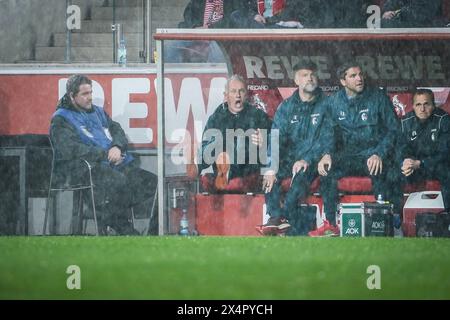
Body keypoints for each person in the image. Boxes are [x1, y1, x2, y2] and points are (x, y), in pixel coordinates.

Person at [50, 75, 157, 235]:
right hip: (85, 169)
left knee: (153, 183)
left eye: (90, 92)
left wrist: (117, 147)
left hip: (114, 163)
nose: (90, 98)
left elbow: (117, 130)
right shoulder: (61, 119)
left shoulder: (98, 112)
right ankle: (125, 229)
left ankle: (144, 231)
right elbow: (70, 149)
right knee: (120, 183)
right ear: (72, 96)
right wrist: (105, 154)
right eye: (84, 94)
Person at [314, 61, 402, 236]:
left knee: (386, 172)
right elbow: (327, 133)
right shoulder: (333, 103)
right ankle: (331, 224)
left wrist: (379, 153)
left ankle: (390, 224)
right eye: (353, 76)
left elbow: (394, 131)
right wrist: (326, 154)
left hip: (373, 156)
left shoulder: (378, 98)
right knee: (326, 171)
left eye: (360, 74)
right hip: (348, 158)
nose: (359, 79)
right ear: (343, 81)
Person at [258, 61, 332, 236]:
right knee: (269, 177)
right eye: (305, 75)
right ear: (296, 79)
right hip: (290, 161)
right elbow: (275, 138)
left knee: (300, 176)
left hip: (314, 161)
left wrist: (307, 159)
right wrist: (271, 168)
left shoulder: (327, 104)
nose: (310, 78)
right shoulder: (287, 107)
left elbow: (327, 138)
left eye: (313, 74)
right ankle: (275, 217)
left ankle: (284, 219)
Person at [193, 74, 272, 192]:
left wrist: (265, 143)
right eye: (233, 91)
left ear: (246, 95)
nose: (238, 95)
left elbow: (277, 147)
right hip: (223, 171)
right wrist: (197, 165)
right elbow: (206, 147)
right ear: (226, 96)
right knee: (214, 145)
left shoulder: (258, 117)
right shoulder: (216, 118)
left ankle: (229, 173)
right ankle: (222, 171)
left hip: (249, 173)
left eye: (241, 91)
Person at [398, 88, 449, 211]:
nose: (422, 109)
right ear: (413, 106)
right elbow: (400, 147)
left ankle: (447, 216)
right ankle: (395, 216)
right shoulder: (405, 121)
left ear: (434, 105)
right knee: (392, 173)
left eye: (426, 104)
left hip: (436, 166)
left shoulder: (444, 120)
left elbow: (445, 153)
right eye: (418, 105)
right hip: (414, 167)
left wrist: (421, 163)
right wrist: (405, 161)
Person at [230, 0, 304, 29]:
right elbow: (247, 7)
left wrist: (267, 20)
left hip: (282, 25)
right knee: (236, 15)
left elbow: (291, 11)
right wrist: (254, 15)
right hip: (261, 25)